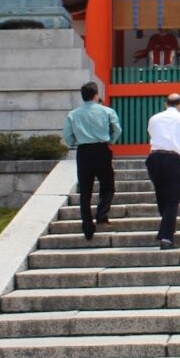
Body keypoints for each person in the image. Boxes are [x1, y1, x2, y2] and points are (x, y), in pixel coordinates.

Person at [62, 81, 122, 242]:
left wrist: (74, 142)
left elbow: (67, 136)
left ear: (82, 96)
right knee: (108, 185)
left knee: (85, 190)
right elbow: (117, 129)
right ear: (96, 95)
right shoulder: (107, 111)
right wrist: (111, 140)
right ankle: (102, 215)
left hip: (83, 152)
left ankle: (87, 226)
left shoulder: (73, 114)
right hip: (101, 150)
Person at [144, 93, 180, 249]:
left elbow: (151, 133)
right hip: (173, 159)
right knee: (172, 199)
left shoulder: (154, 118)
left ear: (165, 104)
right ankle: (167, 238)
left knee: (161, 195)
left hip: (154, 158)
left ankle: (165, 228)